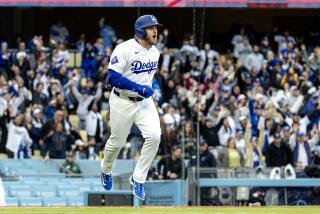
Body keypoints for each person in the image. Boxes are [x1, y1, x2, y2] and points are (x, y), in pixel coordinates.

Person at [100, 14, 162, 200]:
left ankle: (138, 179)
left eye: (156, 27)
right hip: (122, 100)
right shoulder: (124, 49)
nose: (155, 31)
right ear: (141, 31)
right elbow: (112, 78)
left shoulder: (155, 52)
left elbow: (147, 79)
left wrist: (148, 89)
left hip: (143, 102)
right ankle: (106, 169)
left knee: (155, 136)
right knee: (117, 142)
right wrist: (138, 87)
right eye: (151, 28)